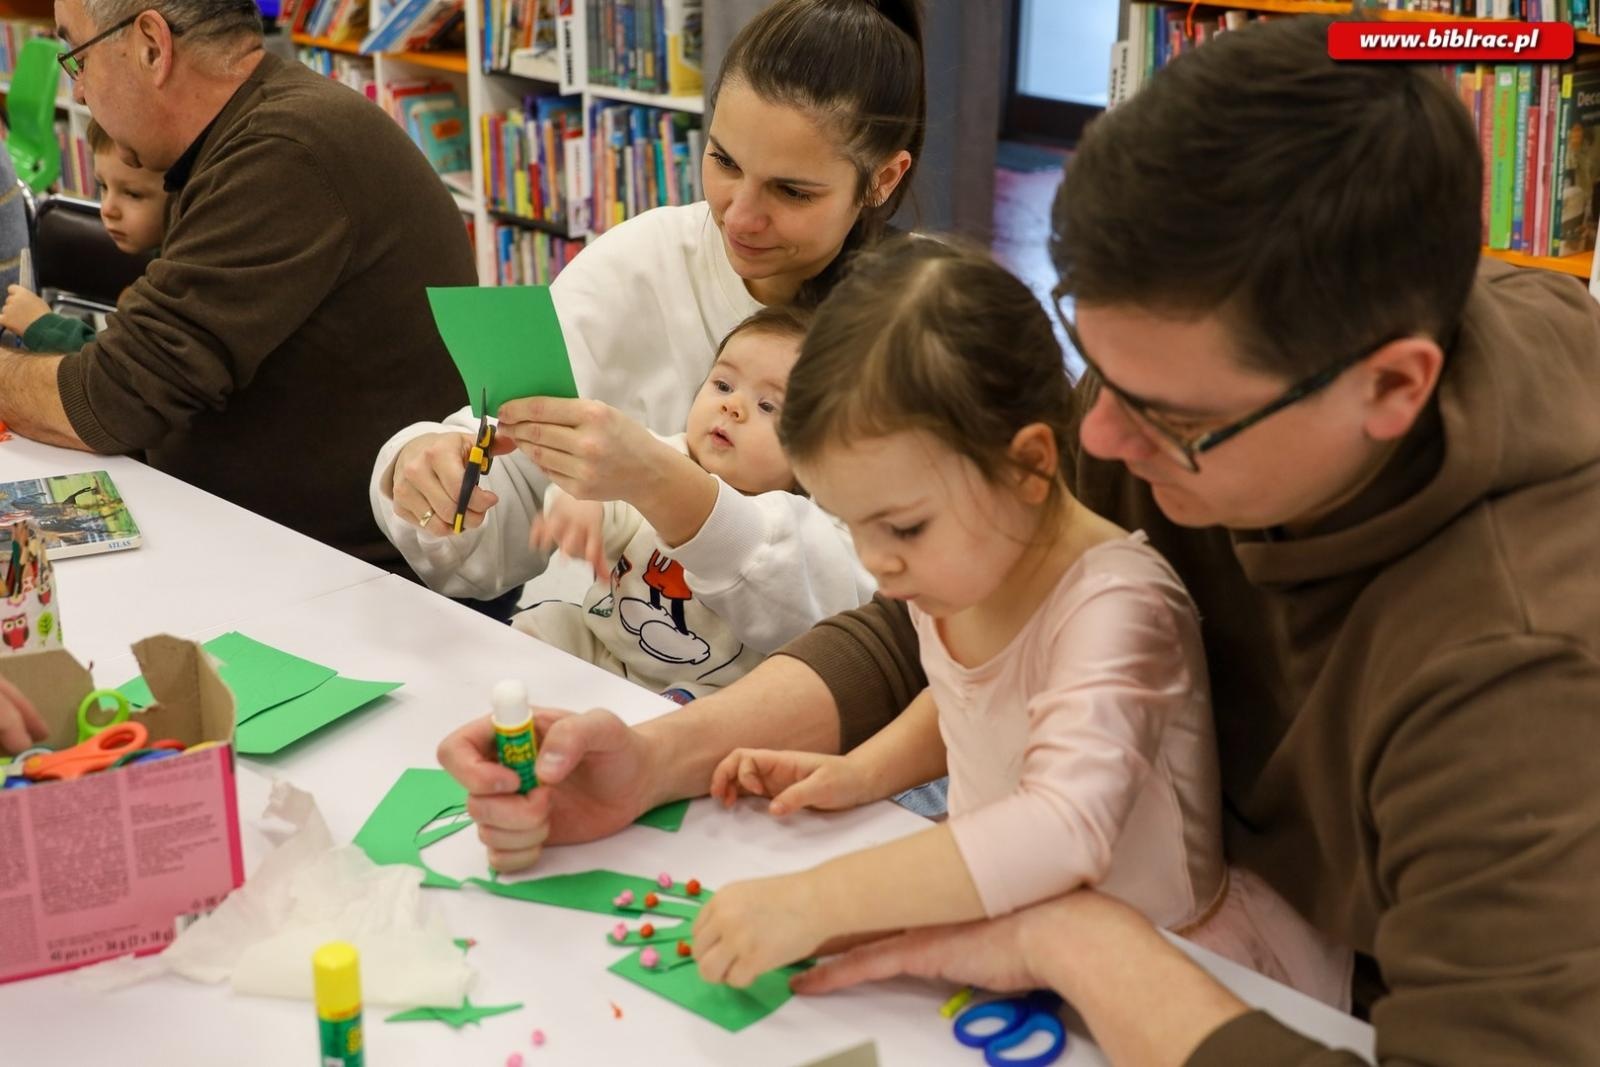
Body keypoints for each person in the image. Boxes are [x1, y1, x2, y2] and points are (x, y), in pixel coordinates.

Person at [428, 15, 1600, 1065]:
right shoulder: (1187, 392)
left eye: (1169, 419)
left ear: (1390, 389)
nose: (1095, 438)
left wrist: (1068, 932)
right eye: (1100, 370)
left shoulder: (1519, 667)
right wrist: (660, 760)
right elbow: (935, 619)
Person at [690, 238, 1348, 1005]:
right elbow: (967, 695)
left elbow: (1064, 825)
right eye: (850, 524)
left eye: (901, 528)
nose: (879, 565)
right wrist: (861, 771)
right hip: (1012, 920)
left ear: (1031, 464)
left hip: (1159, 962)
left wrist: (816, 899)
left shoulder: (1120, 607)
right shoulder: (971, 558)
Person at [369, 0, 924, 602]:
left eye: (791, 191)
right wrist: (421, 468)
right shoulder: (644, 257)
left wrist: (671, 489)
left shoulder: (915, 326)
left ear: (883, 180)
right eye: (723, 161)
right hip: (587, 656)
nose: (738, 216)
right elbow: (500, 514)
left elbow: (886, 619)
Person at [0, 0, 471, 570]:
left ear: (151, 45)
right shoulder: (255, 132)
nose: (78, 93)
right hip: (270, 542)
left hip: (351, 581)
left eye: (77, 58)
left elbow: (111, 401)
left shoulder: (283, 151)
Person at [517, 305, 871, 701]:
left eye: (768, 405)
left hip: (704, 687)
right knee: (544, 624)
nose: (732, 406)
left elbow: (804, 607)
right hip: (606, 642)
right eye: (722, 384)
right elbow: (606, 493)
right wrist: (578, 504)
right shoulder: (664, 458)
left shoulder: (797, 525)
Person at [0, 119, 166, 352]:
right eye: (103, 187)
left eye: (133, 194)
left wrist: (42, 326)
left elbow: (118, 370)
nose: (107, 209)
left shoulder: (181, 285)